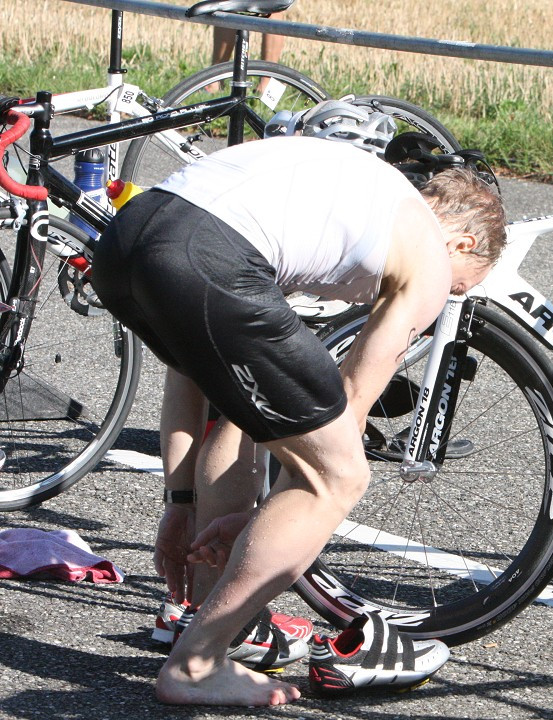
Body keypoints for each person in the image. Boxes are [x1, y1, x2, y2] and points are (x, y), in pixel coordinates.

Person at [93, 101, 507, 706]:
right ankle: (197, 665)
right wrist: (270, 511)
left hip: (131, 236)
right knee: (339, 476)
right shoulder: (426, 256)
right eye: (462, 284)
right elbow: (349, 410)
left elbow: (189, 380)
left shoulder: (346, 188)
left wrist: (180, 504)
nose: (449, 296)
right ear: (463, 243)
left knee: (245, 426)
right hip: (206, 254)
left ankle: (213, 622)